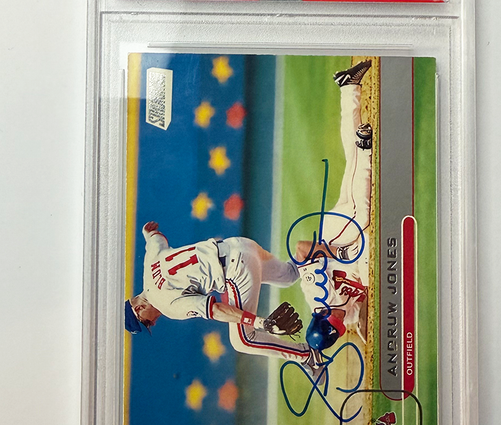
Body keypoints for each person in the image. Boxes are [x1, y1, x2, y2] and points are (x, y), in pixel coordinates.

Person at [125, 221, 323, 371]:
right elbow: (156, 238)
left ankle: (307, 355)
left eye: (146, 322)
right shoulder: (149, 266)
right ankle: (326, 252)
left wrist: (259, 322)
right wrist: (148, 232)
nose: (152, 323)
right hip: (240, 245)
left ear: (139, 308)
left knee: (243, 340)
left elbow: (216, 309)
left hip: (236, 270)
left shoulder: (166, 304)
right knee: (288, 275)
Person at [293, 60, 374, 349]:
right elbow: (362, 309)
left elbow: (302, 250)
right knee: (351, 159)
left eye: (334, 322)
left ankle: (365, 149)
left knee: (361, 212)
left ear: (322, 318)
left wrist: (340, 252)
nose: (339, 320)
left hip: (337, 236)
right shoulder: (345, 317)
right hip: (350, 244)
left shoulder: (317, 296)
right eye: (339, 328)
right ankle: (348, 87)